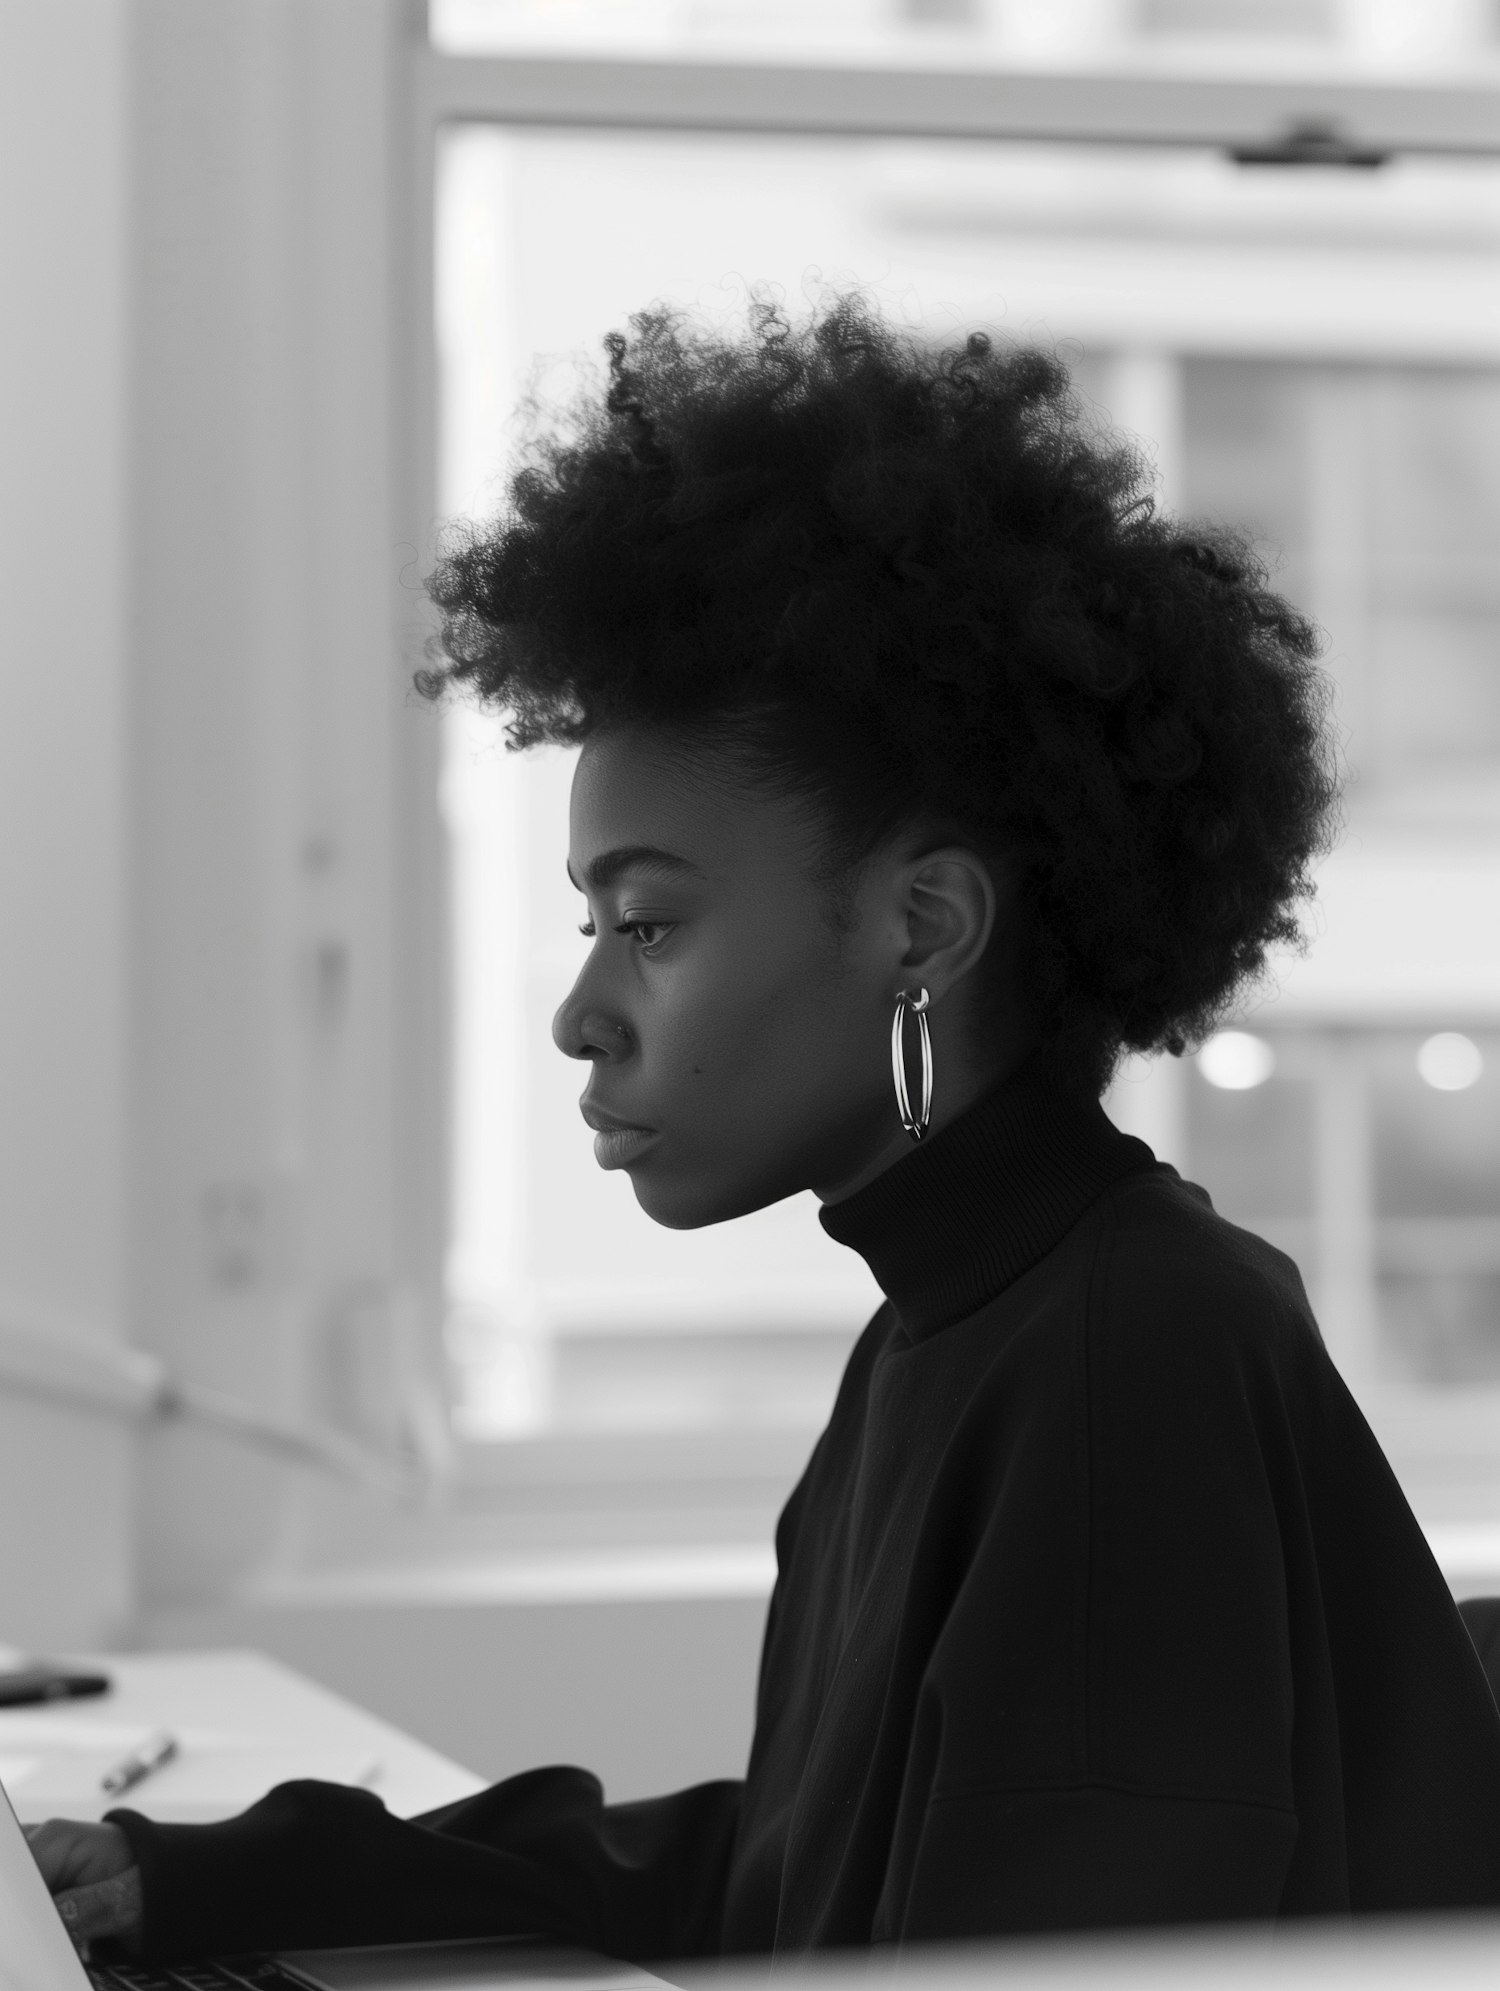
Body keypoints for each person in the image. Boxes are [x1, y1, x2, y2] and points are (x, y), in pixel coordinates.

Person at [29, 294, 1500, 1965]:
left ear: (926, 927)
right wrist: (228, 1881)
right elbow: (795, 1875)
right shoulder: (957, 1328)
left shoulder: (1122, 1353)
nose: (582, 1014)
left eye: (647, 924)